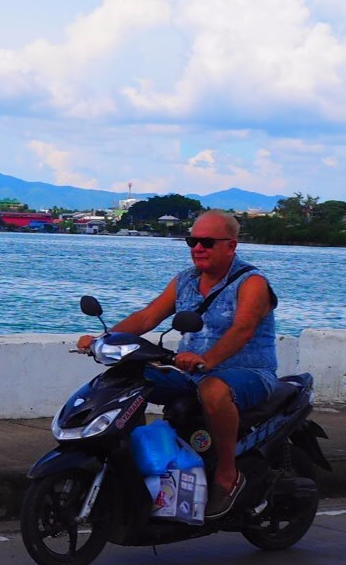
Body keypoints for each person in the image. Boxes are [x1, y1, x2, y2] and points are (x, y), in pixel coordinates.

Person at [76, 210, 278, 517]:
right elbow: (148, 316)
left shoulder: (252, 283)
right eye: (192, 241)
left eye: (207, 242)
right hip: (191, 372)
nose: (198, 248)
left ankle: (227, 474)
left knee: (213, 390)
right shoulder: (185, 281)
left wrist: (208, 359)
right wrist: (104, 340)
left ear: (231, 246)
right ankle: (131, 462)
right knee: (129, 376)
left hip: (248, 373)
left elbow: (243, 329)